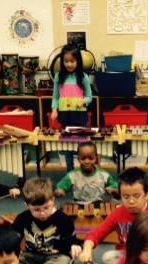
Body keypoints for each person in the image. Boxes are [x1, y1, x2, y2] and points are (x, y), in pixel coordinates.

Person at [12, 177, 82, 264]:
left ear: (53, 200)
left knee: (65, 262)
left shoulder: (63, 219)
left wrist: (75, 245)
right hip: (31, 255)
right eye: (36, 210)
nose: (42, 213)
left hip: (56, 256)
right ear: (27, 205)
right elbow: (13, 238)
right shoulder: (22, 218)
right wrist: (13, 250)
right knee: (13, 260)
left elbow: (72, 239)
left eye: (46, 207)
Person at [50, 43, 93, 171]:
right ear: (62, 61)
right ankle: (70, 170)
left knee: (81, 146)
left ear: (78, 61)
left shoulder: (83, 77)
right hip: (65, 115)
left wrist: (83, 101)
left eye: (72, 61)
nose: (69, 64)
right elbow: (55, 97)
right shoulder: (59, 77)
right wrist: (54, 110)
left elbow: (89, 97)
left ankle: (83, 170)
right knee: (67, 146)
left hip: (79, 115)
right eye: (66, 61)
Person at [54, 141, 119, 205]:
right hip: (79, 205)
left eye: (91, 158)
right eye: (83, 158)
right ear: (78, 159)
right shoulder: (72, 175)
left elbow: (118, 194)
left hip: (99, 204)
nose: (87, 161)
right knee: (64, 205)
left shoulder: (104, 175)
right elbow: (57, 192)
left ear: (96, 158)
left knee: (114, 202)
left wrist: (113, 190)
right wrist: (59, 192)